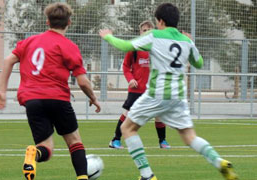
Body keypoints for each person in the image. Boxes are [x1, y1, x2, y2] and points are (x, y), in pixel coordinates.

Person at [99, 3, 238, 180]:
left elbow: (126, 46)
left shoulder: (155, 35)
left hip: (156, 93)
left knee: (127, 128)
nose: (156, 25)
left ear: (161, 21)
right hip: (178, 96)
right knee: (189, 136)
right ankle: (219, 162)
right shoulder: (186, 40)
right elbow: (199, 63)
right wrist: (190, 43)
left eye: (157, 22)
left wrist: (109, 37)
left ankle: (147, 175)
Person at [0, 2, 100, 180]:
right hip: (57, 98)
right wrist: (93, 97)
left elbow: (8, 61)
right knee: (74, 141)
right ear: (69, 22)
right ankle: (82, 177)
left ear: (47, 22)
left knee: (46, 147)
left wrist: (2, 91)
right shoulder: (68, 46)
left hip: (32, 101)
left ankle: (34, 154)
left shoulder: (29, 42)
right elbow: (82, 81)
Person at [109, 20, 170, 149]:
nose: (147, 32)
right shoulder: (134, 48)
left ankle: (163, 141)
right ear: (140, 32)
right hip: (136, 89)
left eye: (149, 30)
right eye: (144, 30)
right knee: (127, 114)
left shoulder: (156, 49)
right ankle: (115, 140)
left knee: (159, 115)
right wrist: (130, 79)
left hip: (153, 89)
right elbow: (125, 66)